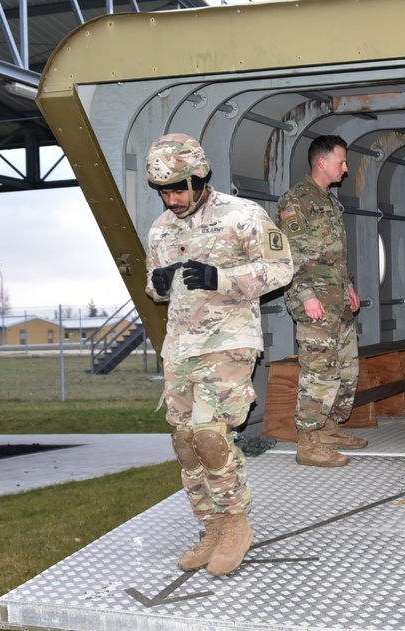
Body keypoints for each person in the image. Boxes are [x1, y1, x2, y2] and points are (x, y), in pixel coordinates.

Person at [144, 133, 293, 577]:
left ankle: (236, 526)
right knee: (186, 443)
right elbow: (152, 287)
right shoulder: (162, 228)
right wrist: (160, 283)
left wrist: (222, 277)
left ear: (200, 177)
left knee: (211, 435)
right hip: (180, 346)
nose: (171, 200)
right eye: (164, 192)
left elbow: (280, 268)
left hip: (228, 340)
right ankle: (211, 525)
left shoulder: (243, 215)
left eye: (178, 189)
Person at [276, 135, 366, 468]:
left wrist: (350, 287)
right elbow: (290, 255)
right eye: (341, 162)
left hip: (337, 299)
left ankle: (329, 428)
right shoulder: (296, 201)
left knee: (345, 369)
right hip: (315, 302)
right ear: (321, 162)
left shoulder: (327, 201)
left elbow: (333, 255)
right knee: (319, 373)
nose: (345, 168)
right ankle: (308, 443)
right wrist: (306, 295)